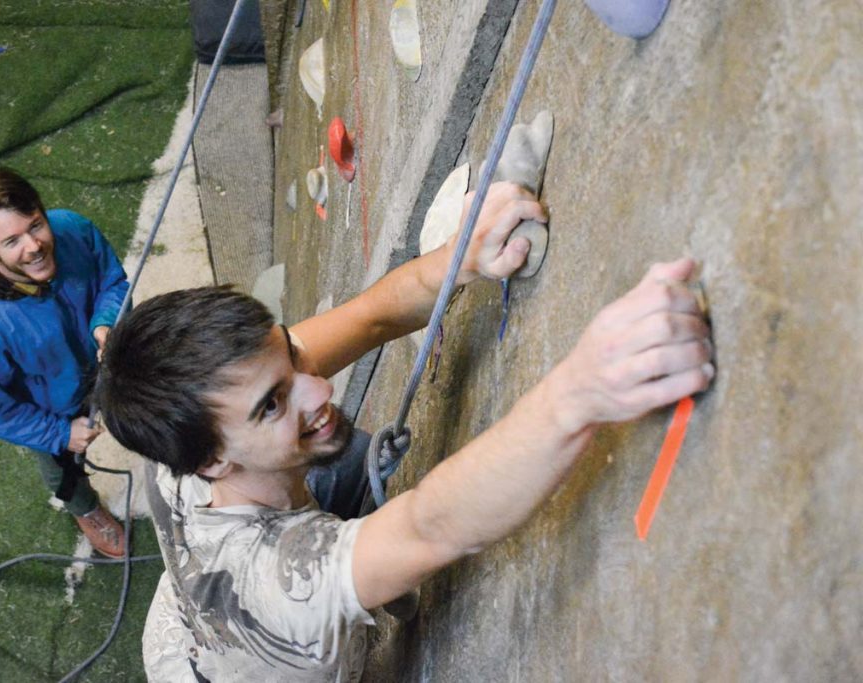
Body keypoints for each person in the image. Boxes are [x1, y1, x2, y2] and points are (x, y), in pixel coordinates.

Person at [95, 183, 714, 681]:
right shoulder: (284, 582)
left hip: (190, 625)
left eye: (290, 354)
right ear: (211, 462)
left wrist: (454, 260)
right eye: (274, 405)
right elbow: (432, 526)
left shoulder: (188, 419)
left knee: (346, 453)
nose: (320, 389)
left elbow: (367, 320)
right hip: (239, 653)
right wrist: (581, 390)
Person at [0, 167, 129, 559]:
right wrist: (59, 434)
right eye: (12, 241)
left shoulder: (71, 229)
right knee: (63, 468)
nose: (35, 246)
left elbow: (113, 282)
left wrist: (105, 322)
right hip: (51, 410)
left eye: (36, 225)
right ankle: (86, 509)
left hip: (106, 363)